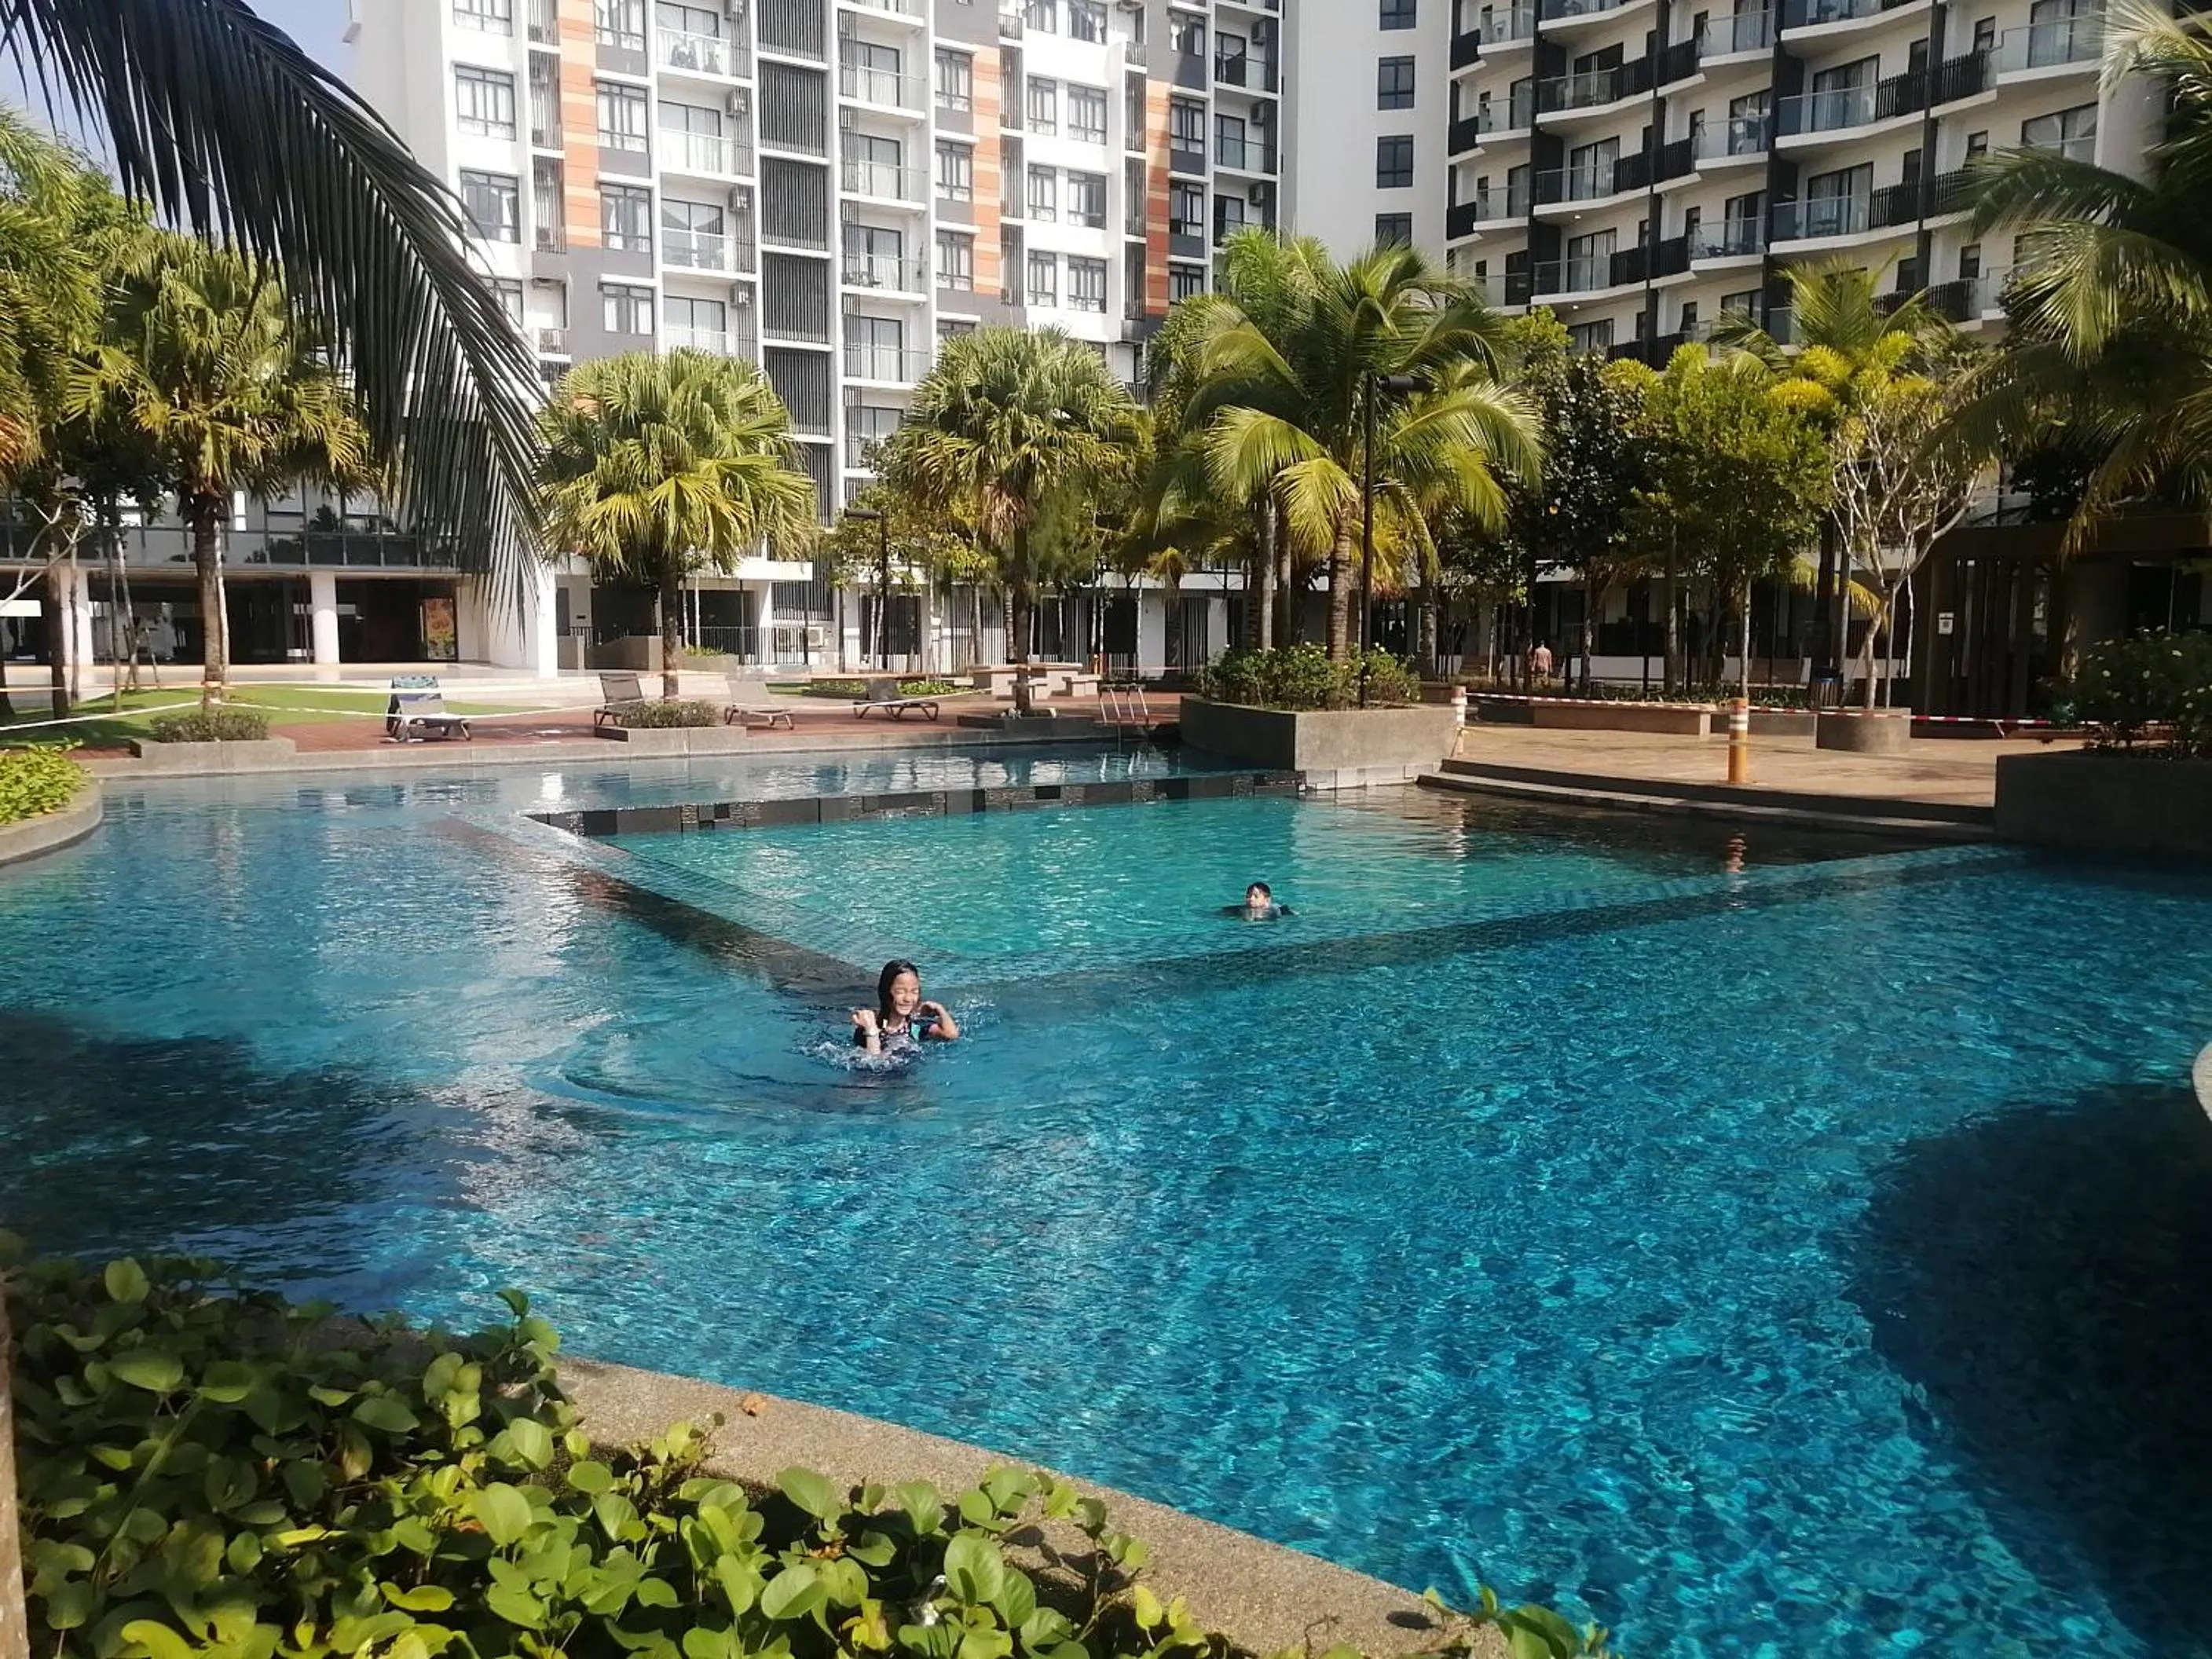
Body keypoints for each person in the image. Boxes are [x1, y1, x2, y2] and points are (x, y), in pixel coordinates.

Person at [852, 959, 959, 1056]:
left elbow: (951, 1035)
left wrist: (939, 1009)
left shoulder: (915, 1028)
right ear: (886, 992)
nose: (908, 999)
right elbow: (874, 1067)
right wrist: (871, 1031)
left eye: (914, 992)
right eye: (900, 992)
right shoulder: (868, 1029)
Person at [1222, 881, 1294, 921]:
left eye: (1256, 896)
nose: (1251, 899)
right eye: (1248, 896)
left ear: (1267, 899)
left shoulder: (1280, 910)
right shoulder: (1240, 910)